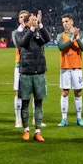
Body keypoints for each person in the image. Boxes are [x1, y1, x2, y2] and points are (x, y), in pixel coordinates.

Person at [17, 11, 50, 141]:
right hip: (26, 72)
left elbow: (47, 39)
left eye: (35, 19)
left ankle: (37, 131)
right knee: (25, 103)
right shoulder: (20, 33)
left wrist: (40, 25)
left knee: (39, 102)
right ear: (26, 22)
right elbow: (23, 43)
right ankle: (26, 130)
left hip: (39, 72)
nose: (34, 22)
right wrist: (31, 29)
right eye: (32, 20)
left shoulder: (38, 32)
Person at [56, 15, 83, 127]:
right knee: (65, 92)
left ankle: (79, 118)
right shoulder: (60, 36)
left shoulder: (81, 35)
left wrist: (77, 37)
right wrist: (71, 39)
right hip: (65, 67)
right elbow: (61, 47)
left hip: (77, 67)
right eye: (63, 22)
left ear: (72, 22)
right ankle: (64, 119)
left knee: (78, 92)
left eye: (66, 21)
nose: (64, 24)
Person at [11, 10, 30, 128]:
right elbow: (19, 44)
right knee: (18, 92)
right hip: (19, 64)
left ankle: (35, 120)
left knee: (34, 92)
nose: (23, 18)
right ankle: (18, 119)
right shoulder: (15, 32)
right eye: (21, 17)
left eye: (25, 17)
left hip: (32, 65)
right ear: (19, 20)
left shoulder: (33, 30)